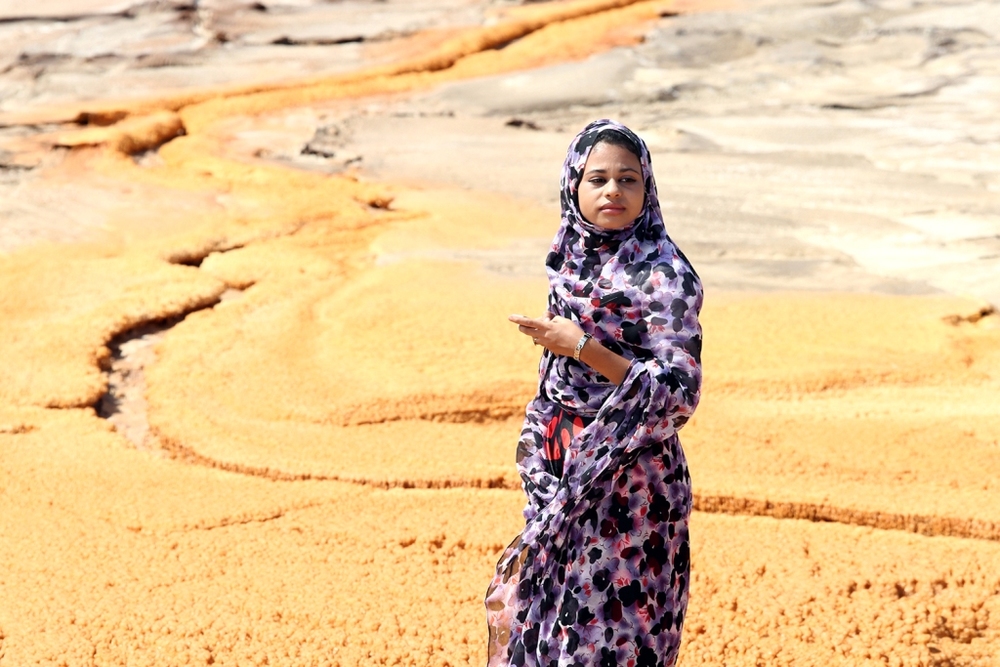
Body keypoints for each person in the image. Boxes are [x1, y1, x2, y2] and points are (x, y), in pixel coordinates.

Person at [484, 119, 703, 667]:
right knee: (548, 619)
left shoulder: (665, 274)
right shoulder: (571, 259)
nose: (612, 192)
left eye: (628, 180)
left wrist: (581, 346)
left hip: (631, 484)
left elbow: (677, 391)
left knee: (612, 635)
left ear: (647, 190)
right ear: (572, 187)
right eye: (597, 178)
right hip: (563, 463)